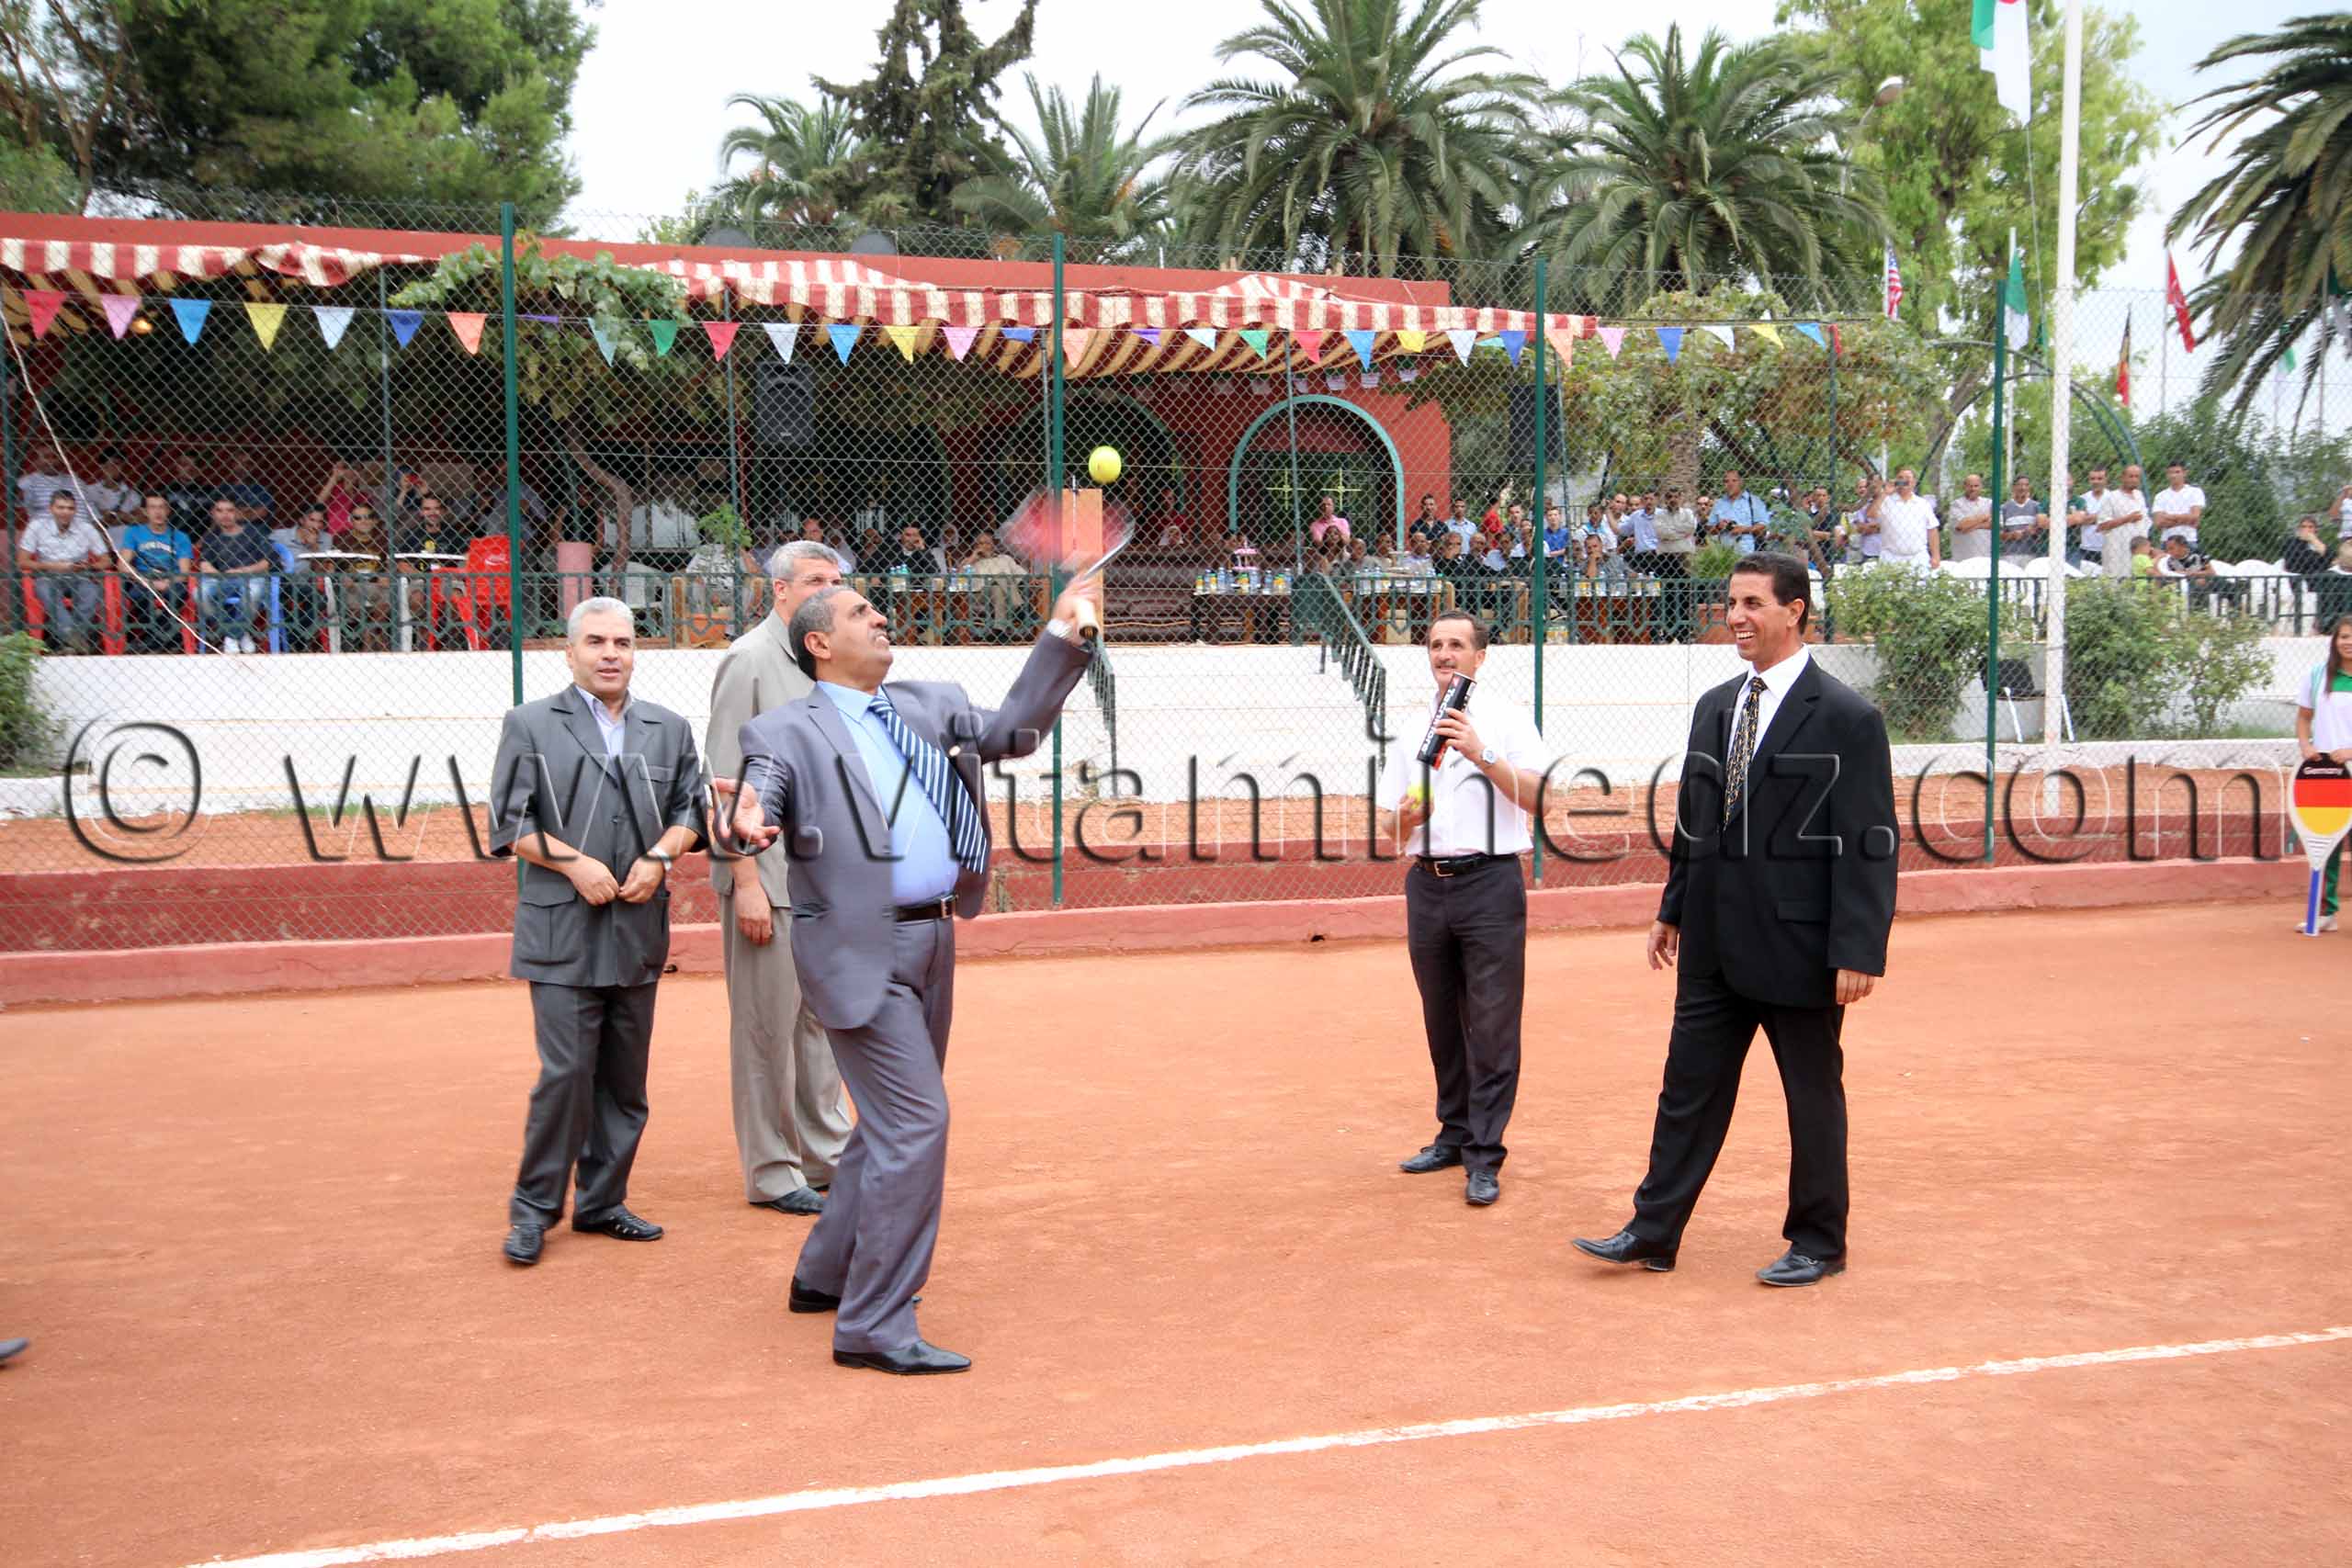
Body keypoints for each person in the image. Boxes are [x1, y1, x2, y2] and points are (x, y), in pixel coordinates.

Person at [725, 574, 1101, 1375]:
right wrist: (750, 819)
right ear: (819, 643)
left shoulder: (933, 703)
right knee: (918, 1124)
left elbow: (1014, 732)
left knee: (891, 1124)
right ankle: (872, 1322)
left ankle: (825, 1274)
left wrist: (1065, 637)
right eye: (861, 612)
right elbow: (765, 792)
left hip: (935, 939)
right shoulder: (783, 731)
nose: (881, 616)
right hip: (859, 950)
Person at [1574, 552, 1898, 1286]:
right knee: (1686, 1088)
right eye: (1731, 602)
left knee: (1811, 1096)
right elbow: (1698, 818)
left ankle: (1819, 1240)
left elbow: (1870, 843)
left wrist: (1859, 948)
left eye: (1753, 602)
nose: (1736, 616)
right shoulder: (1716, 704)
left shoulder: (1848, 718)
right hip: (1714, 942)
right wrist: (1673, 907)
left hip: (1802, 947)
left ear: (1796, 612)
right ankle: (1653, 1230)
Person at [488, 597, 710, 1267]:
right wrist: (574, 862)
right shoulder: (529, 723)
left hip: (637, 926)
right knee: (565, 1074)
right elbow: (508, 822)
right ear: (570, 651)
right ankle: (534, 1209)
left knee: (624, 1079)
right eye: (596, 641)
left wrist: (660, 856)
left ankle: (602, 1200)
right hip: (562, 931)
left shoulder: (667, 728)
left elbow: (692, 809)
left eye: (622, 641)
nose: (611, 652)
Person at [707, 542, 855, 1218]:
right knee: (767, 1027)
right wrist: (743, 880)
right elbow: (722, 781)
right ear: (780, 590)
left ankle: (827, 1154)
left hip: (825, 881)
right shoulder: (749, 661)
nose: (829, 589)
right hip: (767, 877)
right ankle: (772, 1168)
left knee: (820, 1026)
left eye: (838, 580)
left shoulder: (828, 658)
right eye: (815, 580)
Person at [1380, 610, 1548, 1206]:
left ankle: (1484, 1153)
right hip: (1426, 885)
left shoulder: (1505, 720)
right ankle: (1452, 1134)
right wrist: (1407, 816)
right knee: (1441, 1020)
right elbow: (1387, 827)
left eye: (1456, 645)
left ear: (1480, 656)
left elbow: (1541, 796)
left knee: (1493, 1024)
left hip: (1490, 883)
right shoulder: (1406, 728)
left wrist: (1482, 752)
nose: (1444, 654)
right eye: (1435, 645)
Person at [2293, 616, 2352, 933]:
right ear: (2335, 640)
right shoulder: (2317, 676)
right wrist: (2306, 745)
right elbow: (2304, 718)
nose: (2348, 642)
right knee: (2326, 843)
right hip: (2328, 775)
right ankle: (2325, 913)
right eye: (2344, 636)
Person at [17, 489, 108, 651]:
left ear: (75, 510)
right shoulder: (37, 526)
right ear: (51, 508)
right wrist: (52, 566)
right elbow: (22, 561)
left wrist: (87, 566)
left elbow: (106, 560)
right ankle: (73, 636)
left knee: (92, 591)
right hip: (48, 575)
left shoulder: (86, 528)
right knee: (45, 589)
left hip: (79, 575)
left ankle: (71, 641)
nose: (66, 512)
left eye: (70, 508)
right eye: (61, 507)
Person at [116, 492, 193, 652]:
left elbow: (184, 572)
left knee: (178, 594)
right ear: (145, 511)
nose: (158, 512)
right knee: (140, 596)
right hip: (143, 580)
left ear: (168, 510)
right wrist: (149, 582)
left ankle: (152, 640)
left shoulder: (180, 537)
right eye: (152, 507)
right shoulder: (134, 532)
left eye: (162, 507)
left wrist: (167, 583)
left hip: (172, 581)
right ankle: (169, 638)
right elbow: (123, 565)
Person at [197, 496, 272, 654]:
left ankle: (230, 636)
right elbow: (204, 564)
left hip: (252, 577)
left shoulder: (254, 532)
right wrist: (219, 575)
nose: (225, 515)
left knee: (253, 593)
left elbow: (267, 563)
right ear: (213, 514)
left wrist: (243, 571)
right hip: (224, 579)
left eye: (230, 510)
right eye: (220, 510)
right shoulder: (211, 537)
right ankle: (240, 632)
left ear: (237, 513)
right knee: (200, 594)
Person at [1876, 468, 1940, 570]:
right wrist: (1885, 493)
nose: (1904, 480)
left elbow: (1932, 530)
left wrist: (1936, 556)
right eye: (1900, 478)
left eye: (1907, 478)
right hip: (1890, 557)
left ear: (1914, 482)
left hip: (1918, 557)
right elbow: (1871, 514)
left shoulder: (1923, 504)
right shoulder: (1886, 501)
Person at [2098, 463, 2151, 579]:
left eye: (2137, 476)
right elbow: (2101, 526)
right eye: (2130, 476)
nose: (2134, 479)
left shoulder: (2140, 496)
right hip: (2117, 550)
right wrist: (2127, 519)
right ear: (2122, 477)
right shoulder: (2111, 497)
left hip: (2138, 552)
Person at [1709, 469, 1770, 556]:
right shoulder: (1719, 503)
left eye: (1734, 480)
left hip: (1748, 552)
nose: (1730, 484)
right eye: (1726, 481)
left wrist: (1743, 529)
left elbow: (1763, 525)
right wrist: (1719, 526)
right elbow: (1710, 529)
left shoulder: (1753, 501)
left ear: (1741, 482)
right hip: (1724, 554)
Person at [2151, 462, 2205, 547]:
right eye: (2170, 473)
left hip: (2188, 540)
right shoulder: (2160, 496)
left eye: (2177, 472)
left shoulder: (2195, 492)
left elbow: (2195, 517)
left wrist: (2170, 517)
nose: (2173, 475)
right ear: (2167, 475)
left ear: (2185, 473)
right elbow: (2159, 523)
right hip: (2167, 541)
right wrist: (2186, 520)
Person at [1948, 472, 1995, 560]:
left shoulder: (1989, 503)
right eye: (1970, 486)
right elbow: (1961, 525)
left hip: (1985, 556)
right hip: (1963, 558)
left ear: (1981, 487)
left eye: (1976, 486)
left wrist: (1971, 525)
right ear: (1964, 487)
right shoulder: (1956, 504)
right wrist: (1984, 517)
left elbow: (1995, 524)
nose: (1973, 489)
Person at [2000, 476, 2046, 557]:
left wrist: (2034, 531)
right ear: (2013, 487)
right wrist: (2012, 535)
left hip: (2033, 554)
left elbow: (2043, 531)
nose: (2023, 488)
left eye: (2026, 485)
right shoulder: (2004, 508)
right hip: (2010, 555)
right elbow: (1998, 535)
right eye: (2020, 485)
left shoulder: (2037, 507)